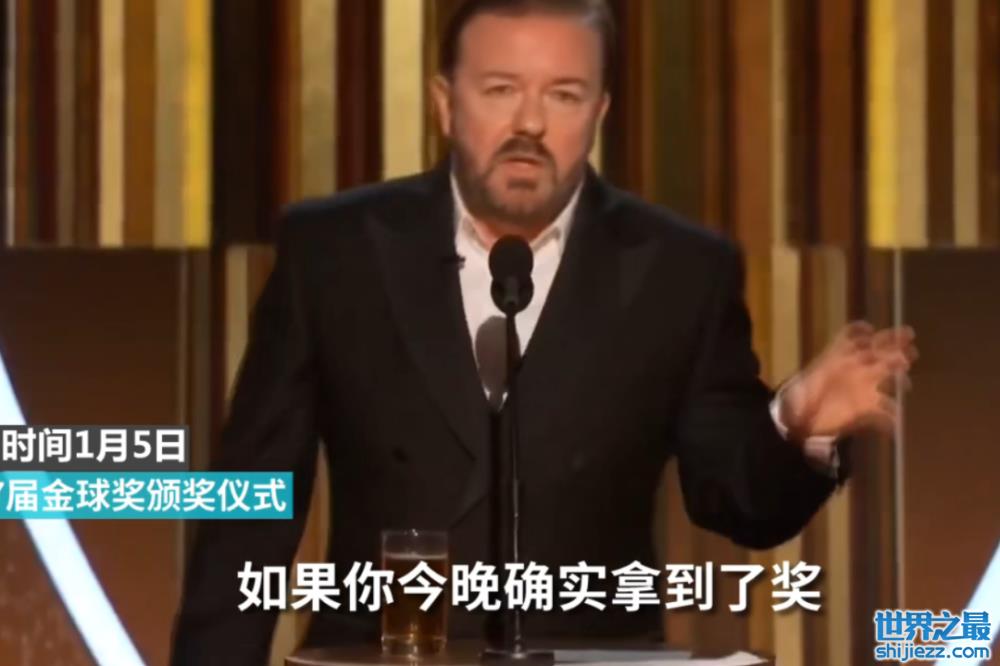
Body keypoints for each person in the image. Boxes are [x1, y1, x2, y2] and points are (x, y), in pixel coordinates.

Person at [171, 0, 917, 663]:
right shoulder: (336, 252)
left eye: (564, 94)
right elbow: (249, 510)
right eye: (500, 90)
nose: (529, 123)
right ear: (444, 104)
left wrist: (794, 423)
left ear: (600, 112)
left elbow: (735, 500)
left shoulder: (680, 270)